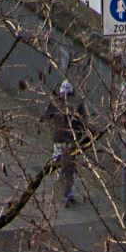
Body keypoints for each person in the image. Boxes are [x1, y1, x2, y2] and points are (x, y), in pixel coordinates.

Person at [47, 78, 83, 207]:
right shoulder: (78, 103)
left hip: (59, 139)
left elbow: (46, 117)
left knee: (59, 165)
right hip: (71, 142)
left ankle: (63, 191)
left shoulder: (55, 102)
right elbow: (83, 122)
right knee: (70, 169)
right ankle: (68, 193)